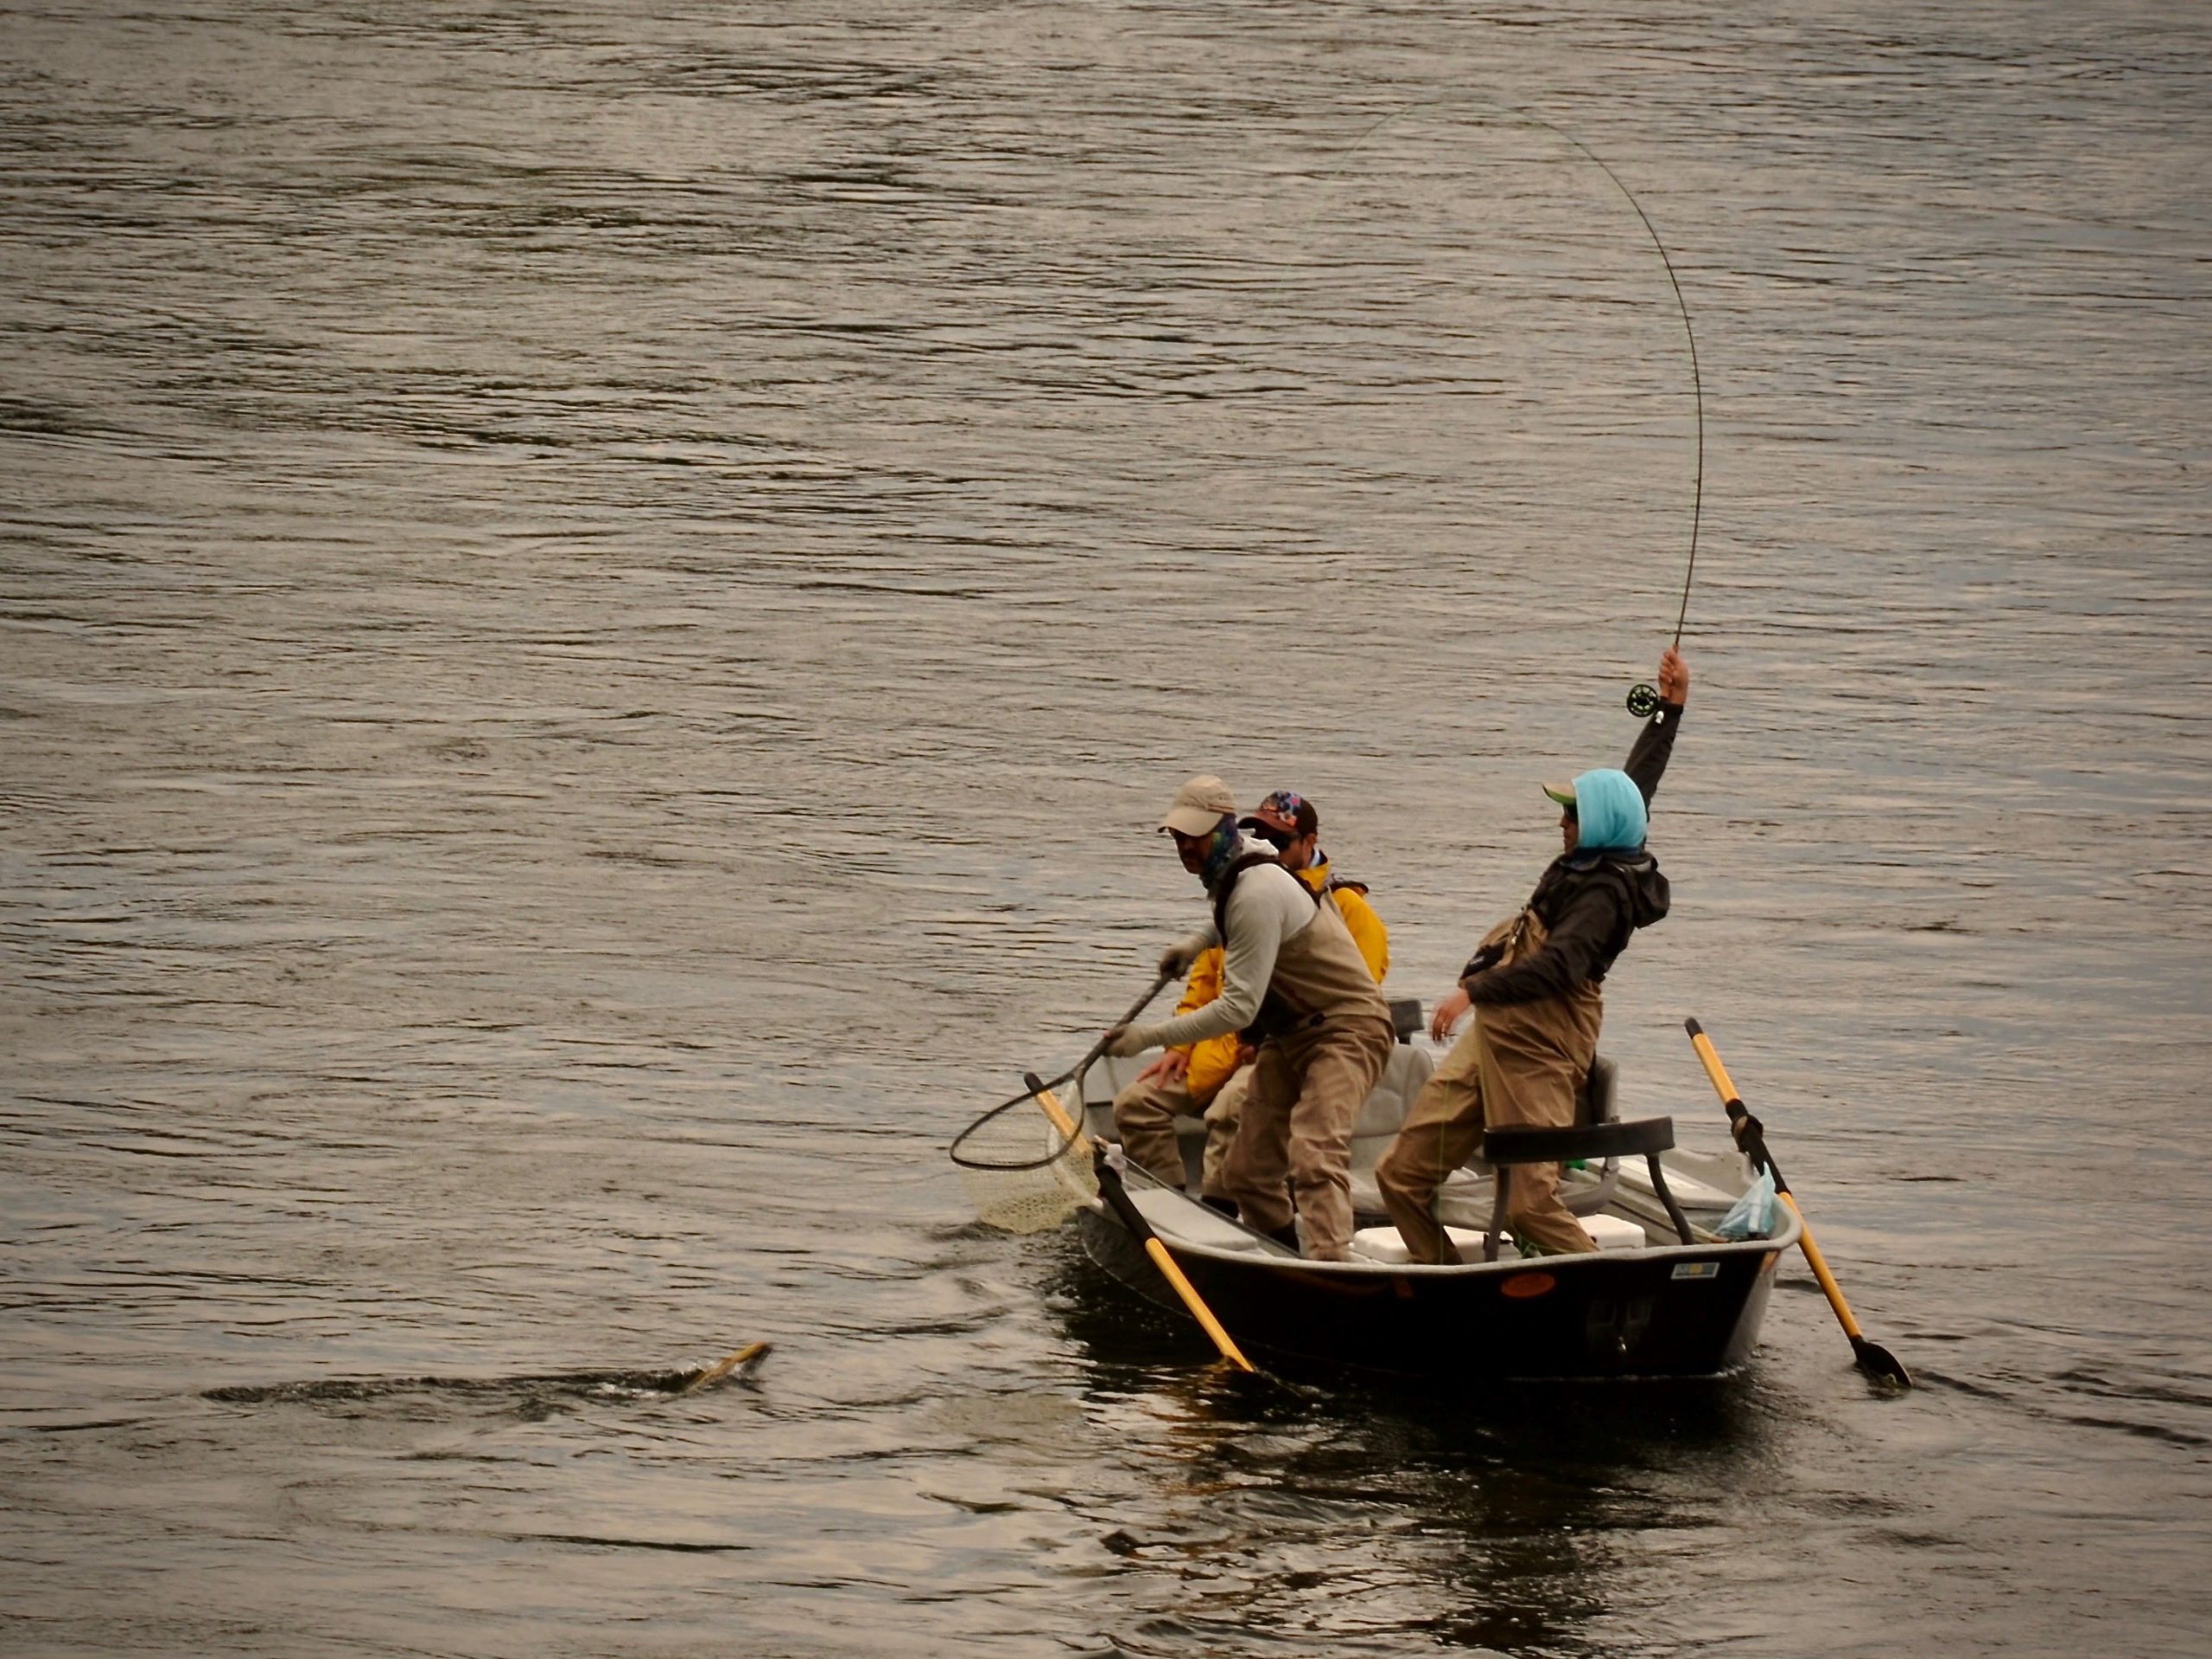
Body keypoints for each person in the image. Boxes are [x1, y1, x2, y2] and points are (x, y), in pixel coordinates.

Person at [1375, 648, 1690, 1264]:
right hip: (1493, 1035)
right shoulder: (1598, 849)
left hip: (1543, 1046)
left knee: (1528, 1203)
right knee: (1399, 1177)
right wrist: (1669, 710)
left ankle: (1608, 1286)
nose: (1562, 824)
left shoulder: (1605, 894)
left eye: (1571, 815)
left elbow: (1559, 967)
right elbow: (1637, 782)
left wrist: (1474, 991)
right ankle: (1447, 1291)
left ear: (1598, 824)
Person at [1106, 776, 1396, 1261]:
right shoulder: (1247, 858)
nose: (1186, 847)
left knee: (1313, 1152)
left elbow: (1239, 1007)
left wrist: (1147, 1037)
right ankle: (1288, 1262)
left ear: (1222, 829)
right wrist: (1197, 944)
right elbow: (1235, 908)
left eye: (1195, 835)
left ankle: (1331, 1266)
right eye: (1178, 837)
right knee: (1247, 1173)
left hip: (1347, 1030)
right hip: (1291, 1033)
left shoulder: (1256, 890)